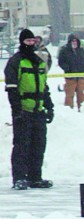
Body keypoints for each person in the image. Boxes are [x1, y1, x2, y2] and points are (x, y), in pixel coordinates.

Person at [5, 29, 55, 190]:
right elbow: (12, 88)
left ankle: (35, 177)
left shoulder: (40, 61)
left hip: (38, 110)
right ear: (22, 43)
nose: (31, 44)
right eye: (27, 41)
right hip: (23, 111)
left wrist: (49, 106)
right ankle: (19, 178)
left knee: (38, 144)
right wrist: (17, 110)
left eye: (33, 41)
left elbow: (44, 86)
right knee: (22, 145)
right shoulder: (16, 62)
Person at [58, 34, 84, 110]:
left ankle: (83, 109)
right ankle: (69, 110)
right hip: (70, 77)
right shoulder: (64, 50)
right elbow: (61, 62)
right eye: (73, 41)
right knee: (69, 94)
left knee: (81, 94)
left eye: (76, 41)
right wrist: (67, 68)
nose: (74, 42)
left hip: (80, 77)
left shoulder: (81, 50)